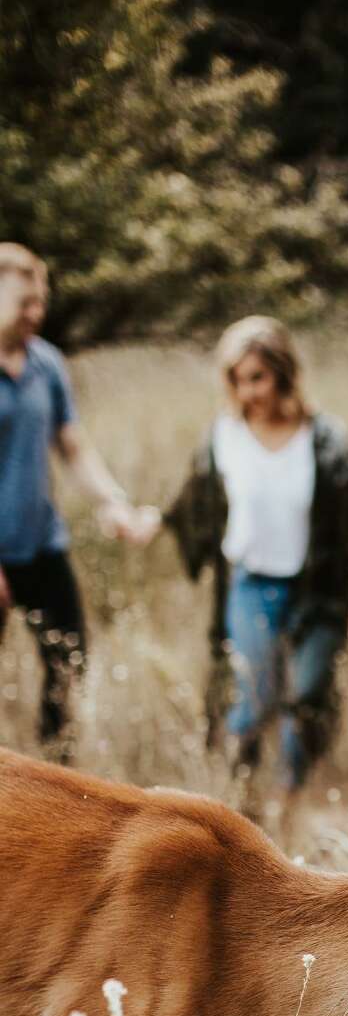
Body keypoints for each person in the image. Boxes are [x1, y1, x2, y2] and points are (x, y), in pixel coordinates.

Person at [158, 315, 348, 792]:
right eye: (236, 380)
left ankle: (288, 797)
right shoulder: (224, 437)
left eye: (256, 377)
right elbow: (194, 505)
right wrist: (150, 521)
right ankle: (234, 794)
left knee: (307, 697)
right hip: (251, 584)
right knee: (254, 700)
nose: (247, 392)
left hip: (318, 588)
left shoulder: (327, 441)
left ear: (283, 371)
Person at [0, 243, 156, 758]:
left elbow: (73, 444)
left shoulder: (46, 363)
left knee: (70, 663)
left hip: (42, 543)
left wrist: (112, 501)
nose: (36, 314)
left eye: (40, 301)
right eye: (24, 302)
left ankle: (55, 773)